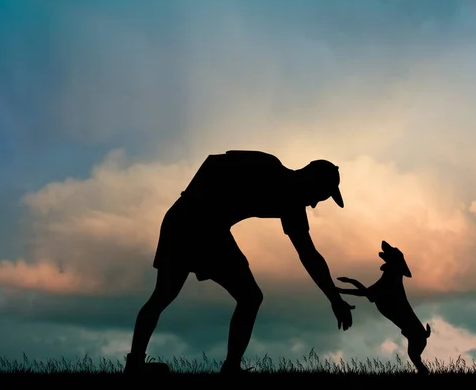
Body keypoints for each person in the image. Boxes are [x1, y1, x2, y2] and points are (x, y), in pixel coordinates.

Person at [124, 150, 355, 374]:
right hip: (191, 220)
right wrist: (201, 205)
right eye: (319, 196)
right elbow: (213, 162)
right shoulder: (268, 167)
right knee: (170, 294)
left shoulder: (292, 206)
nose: (314, 204)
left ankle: (224, 366)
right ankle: (225, 367)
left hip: (200, 225)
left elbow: (309, 255)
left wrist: (334, 299)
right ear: (310, 181)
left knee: (241, 297)